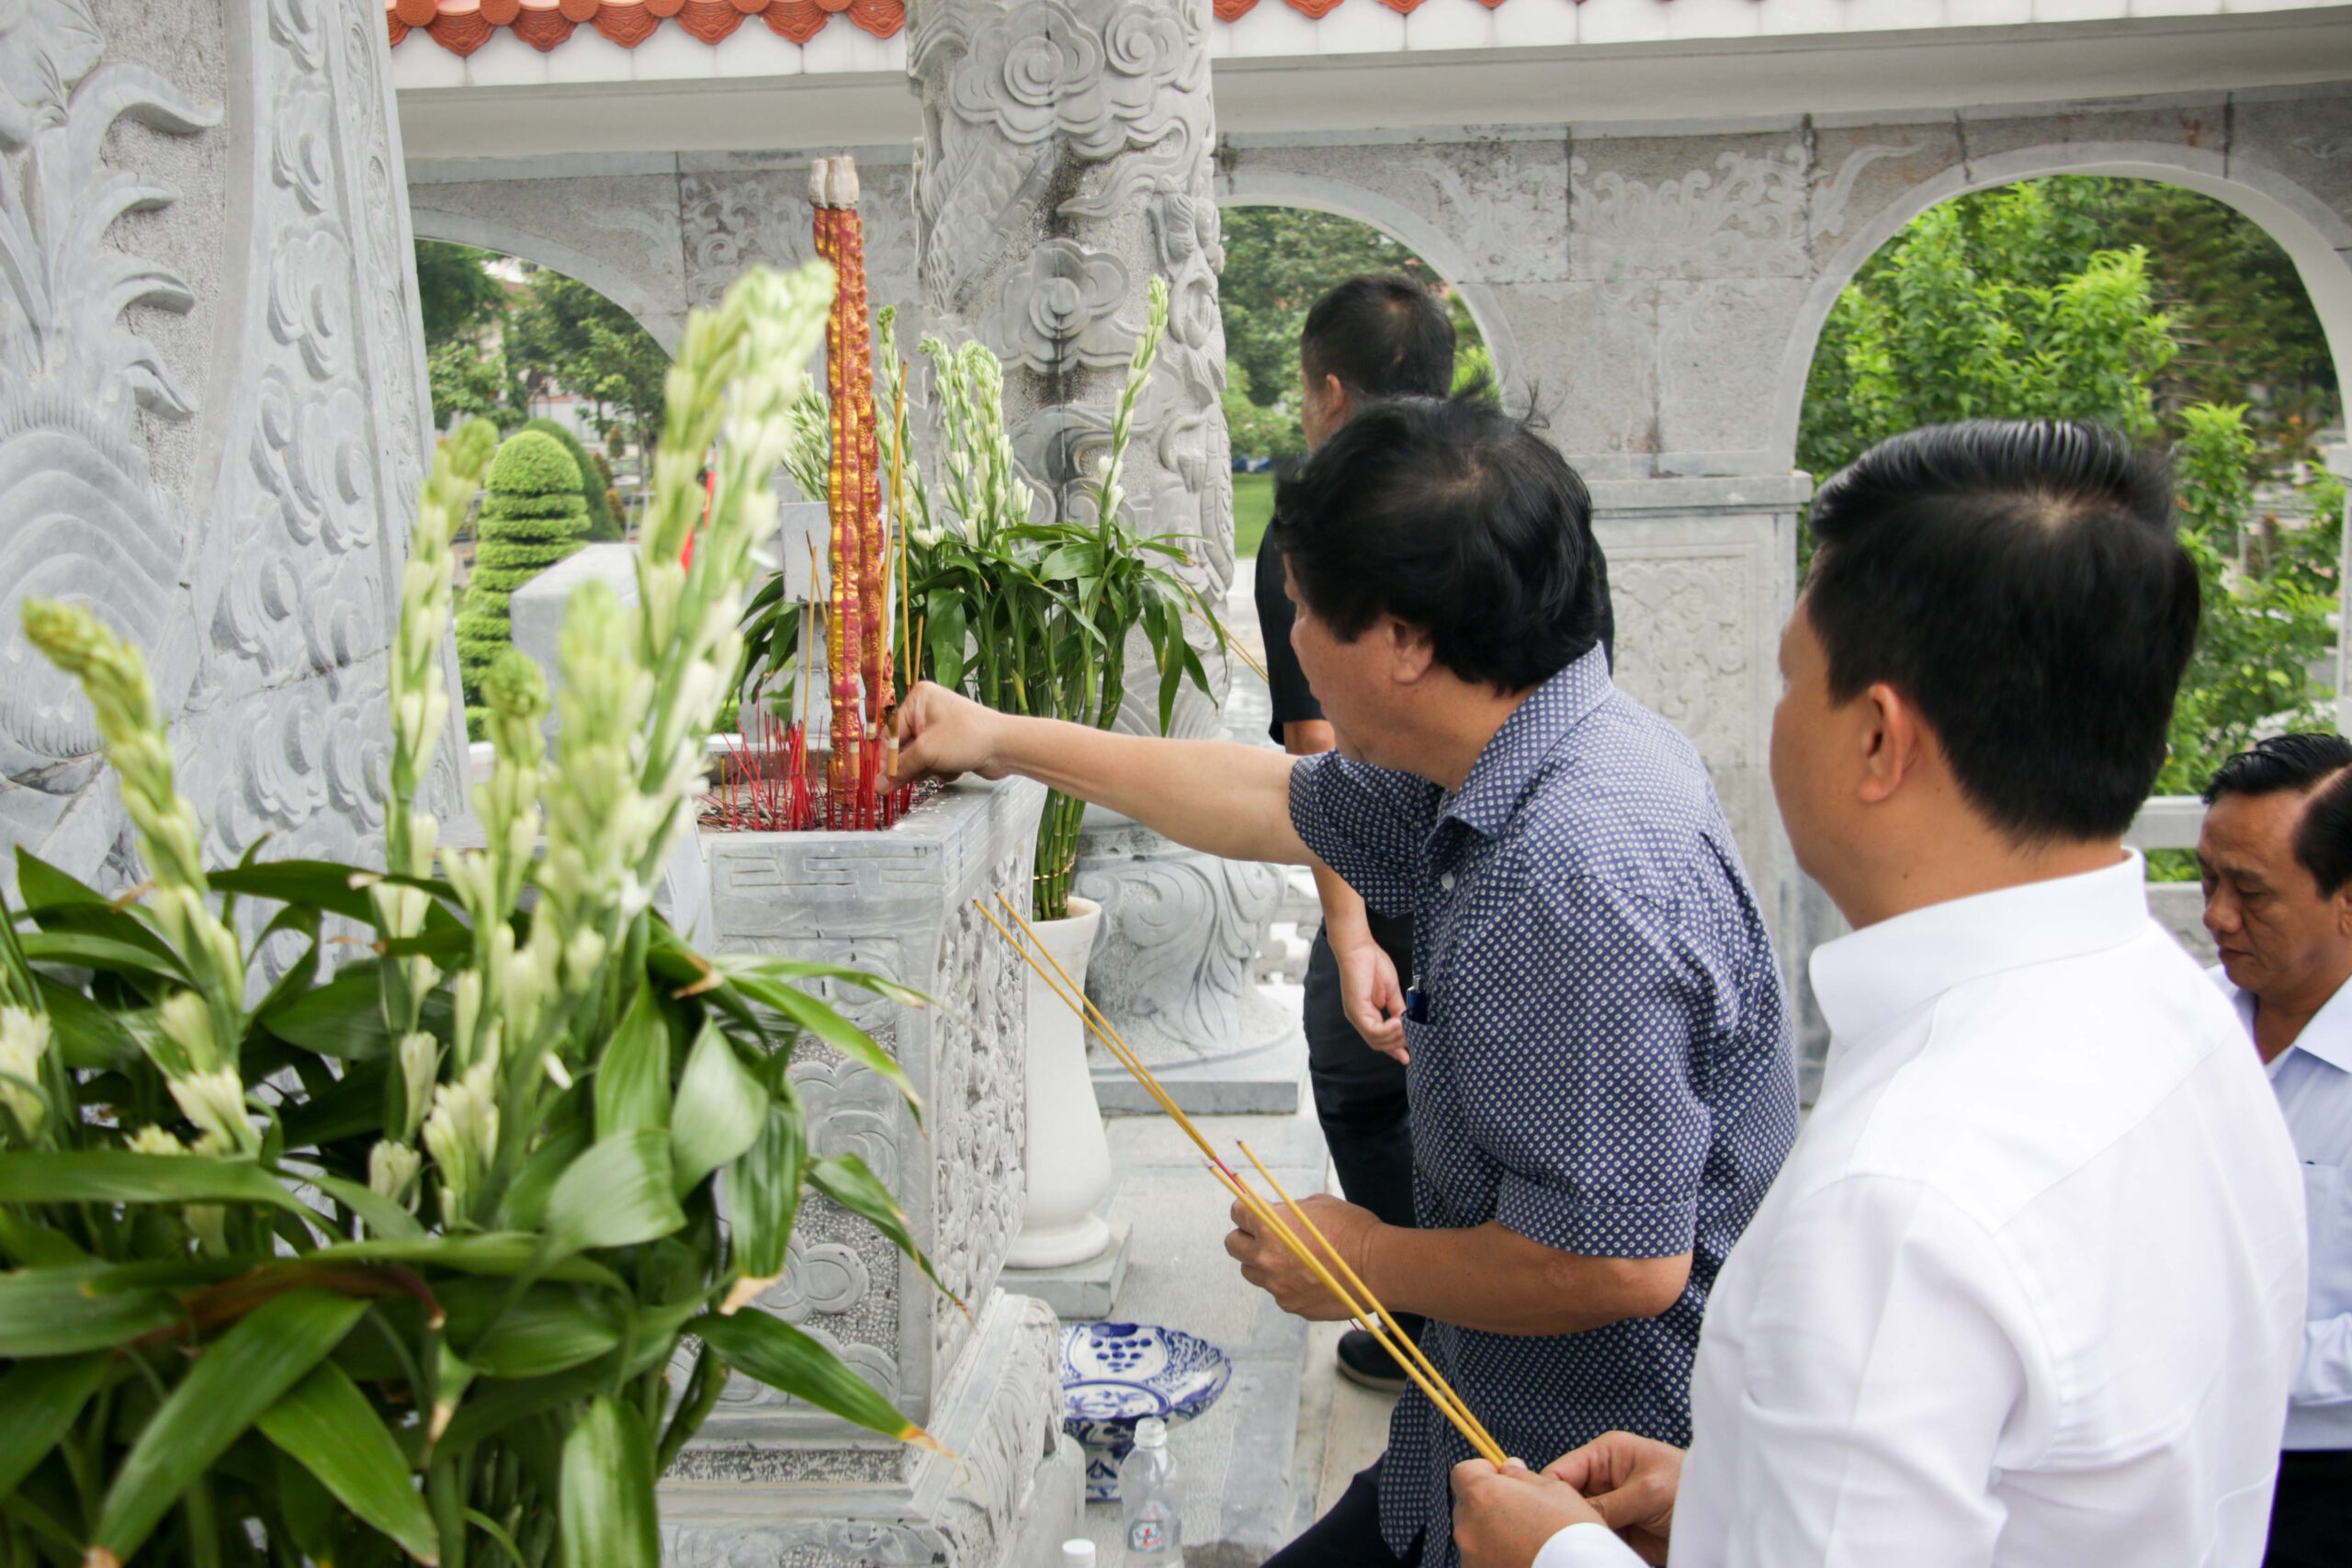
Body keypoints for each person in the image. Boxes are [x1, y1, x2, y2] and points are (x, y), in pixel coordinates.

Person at [899, 392, 1795, 1568]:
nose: (1298, 644)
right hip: (1466, 1431)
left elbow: (1617, 1259)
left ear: (1406, 643)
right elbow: (1272, 798)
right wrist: (1001, 737)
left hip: (1580, 1487)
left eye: (1308, 611)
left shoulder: (1573, 867)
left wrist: (1362, 1260)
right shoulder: (1522, 752)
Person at [1448, 420, 2310, 1568]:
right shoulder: (2184, 1015)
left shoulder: (1897, 1200)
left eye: (1790, 678)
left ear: (1876, 738)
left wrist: (1555, 1555)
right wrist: (1737, 1494)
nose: (1776, 716)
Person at [1260, 274, 1452, 1393]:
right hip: (1493, 834)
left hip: (1393, 857)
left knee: (1358, 1069)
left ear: (1329, 392)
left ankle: (1428, 1321)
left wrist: (1348, 931)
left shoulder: (1322, 524)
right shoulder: (1513, 488)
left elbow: (1314, 749)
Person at [2198, 734, 2352, 1568]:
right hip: (2180, 1457)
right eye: (2207, 880)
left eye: (2250, 891)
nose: (2217, 915)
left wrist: (2223, 1359)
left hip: (2324, 1480)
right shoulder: (2180, 1030)